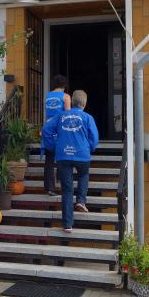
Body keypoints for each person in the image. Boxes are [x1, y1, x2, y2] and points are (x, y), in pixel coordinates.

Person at [42, 90, 99, 233]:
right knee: (83, 175)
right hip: (82, 155)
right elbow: (94, 138)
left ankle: (67, 225)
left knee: (67, 190)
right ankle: (81, 201)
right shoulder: (87, 117)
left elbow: (46, 129)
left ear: (72, 102)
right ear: (84, 104)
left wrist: (53, 147)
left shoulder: (60, 116)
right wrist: (89, 148)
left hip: (63, 155)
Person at [41, 74, 71, 196]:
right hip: (60, 129)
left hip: (48, 128)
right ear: (64, 85)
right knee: (63, 156)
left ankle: (49, 187)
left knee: (49, 160)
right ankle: (63, 184)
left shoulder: (47, 96)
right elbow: (68, 115)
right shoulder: (66, 97)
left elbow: (47, 114)